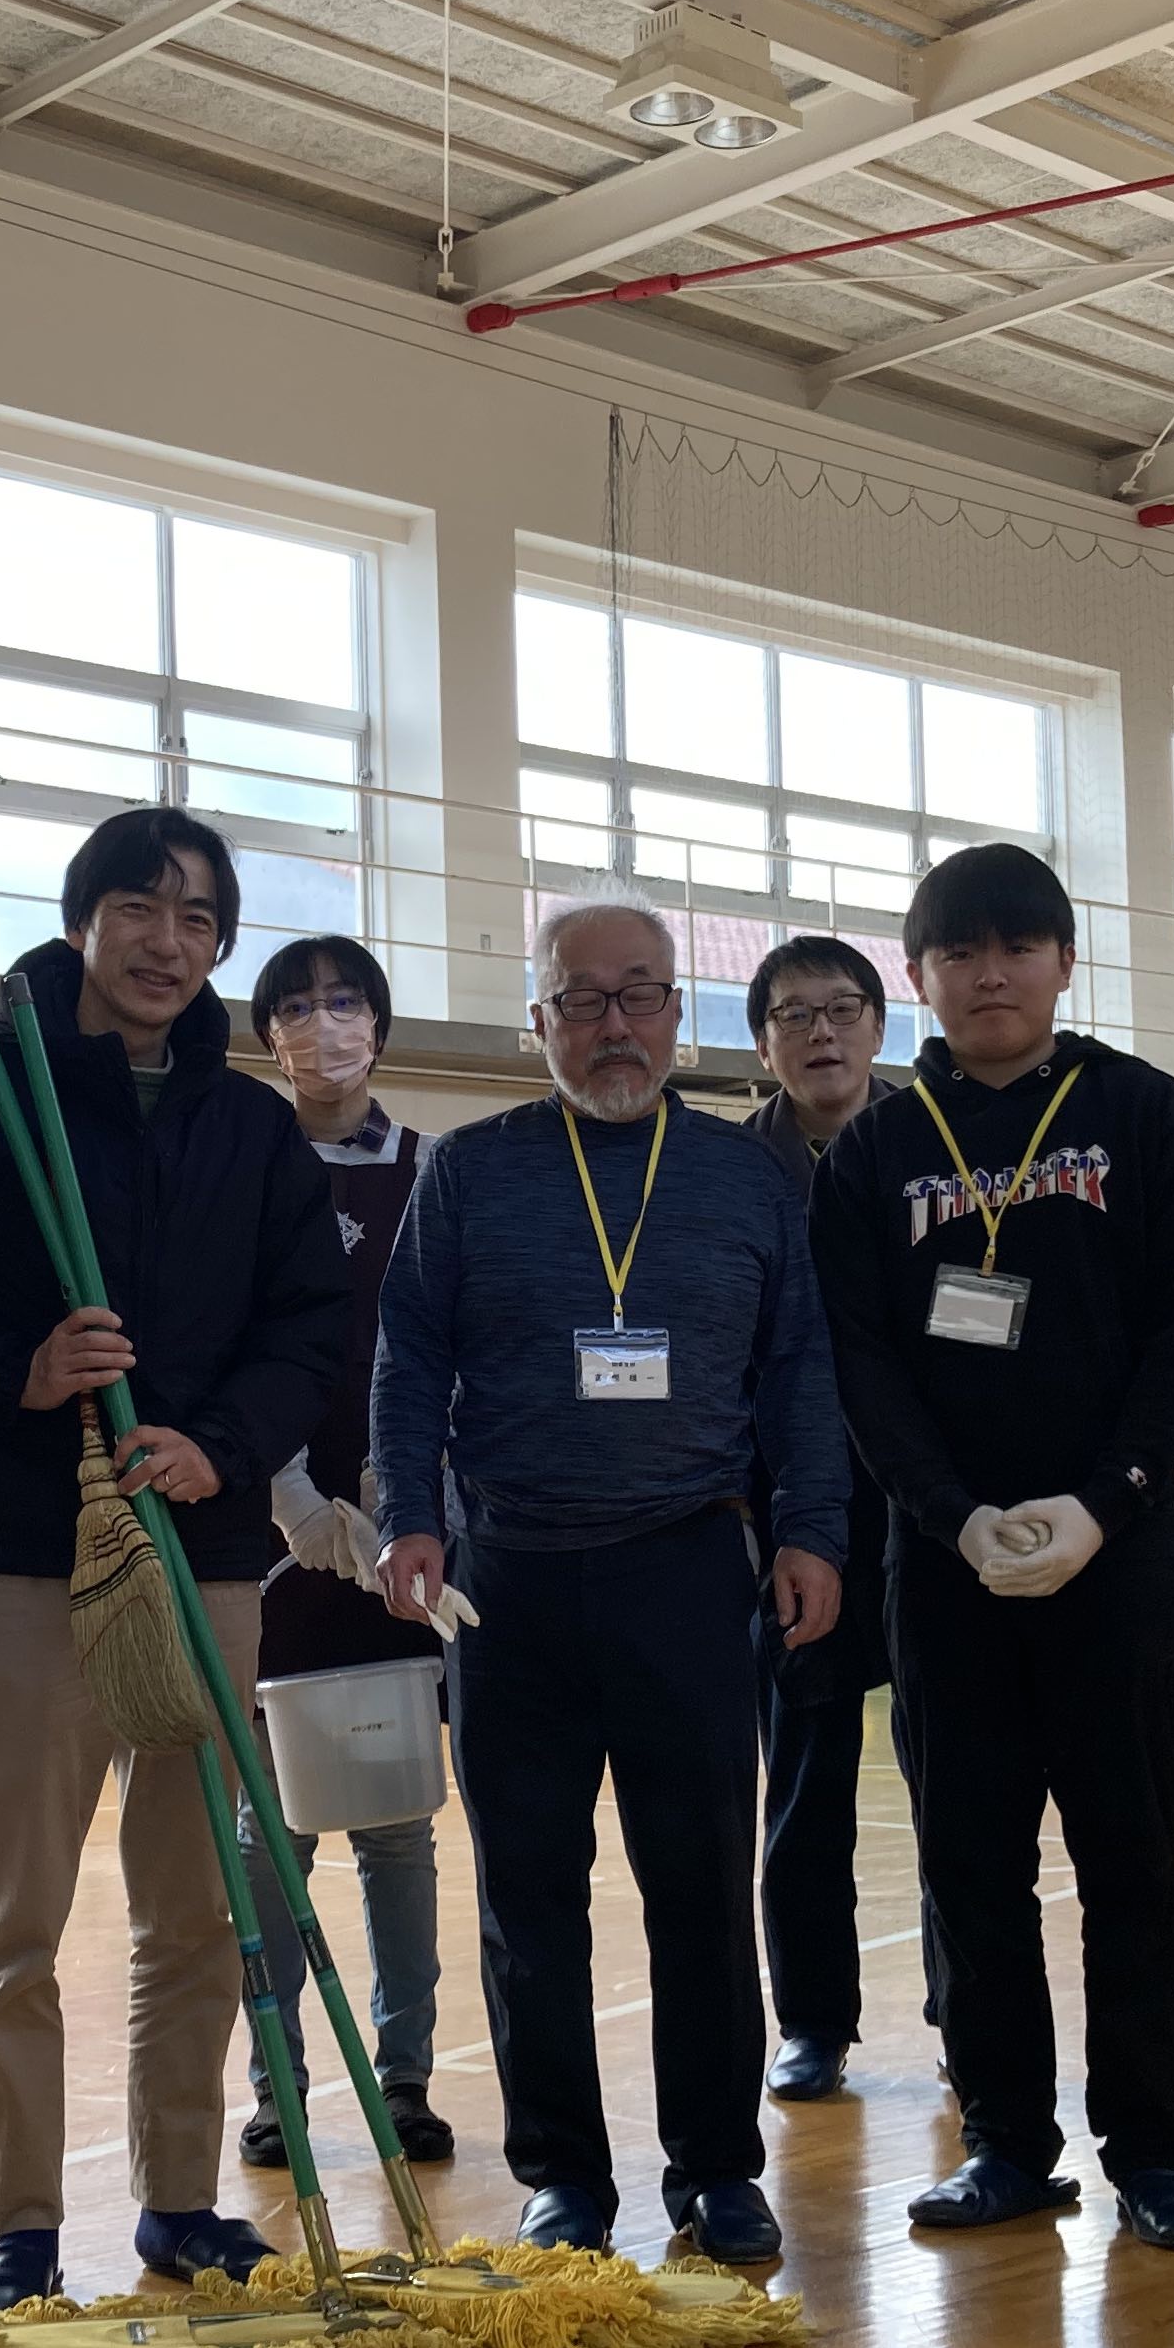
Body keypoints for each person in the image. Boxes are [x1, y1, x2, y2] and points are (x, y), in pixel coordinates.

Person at [0, 807, 346, 2311]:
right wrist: (13, 1368)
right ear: (82, 922)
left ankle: (182, 2202)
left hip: (205, 1555)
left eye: (201, 922)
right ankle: (24, 2226)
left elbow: (310, 1324)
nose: (168, 943)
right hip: (19, 1555)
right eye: (142, 908)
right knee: (21, 1915)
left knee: (198, 1906)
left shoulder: (251, 1127)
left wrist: (220, 1442)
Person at [371, 902, 843, 2266]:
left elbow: (801, 1370)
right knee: (530, 1897)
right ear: (540, 1026)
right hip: (508, 1582)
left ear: (678, 1014)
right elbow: (409, 1359)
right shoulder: (468, 1171)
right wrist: (411, 1514)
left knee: (700, 1887)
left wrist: (811, 1530)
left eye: (640, 996)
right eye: (583, 1001)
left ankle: (714, 2167)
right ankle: (563, 2176)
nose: (615, 1025)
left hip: (690, 1571)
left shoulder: (748, 1182)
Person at [808, 843, 1174, 2250]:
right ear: (919, 974)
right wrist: (955, 1516)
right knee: (970, 1869)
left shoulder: (1146, 1116)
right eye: (959, 951)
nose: (990, 973)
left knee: (1128, 1865)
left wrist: (1113, 1500)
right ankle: (1005, 2144)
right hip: (950, 1573)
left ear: (1062, 961)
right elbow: (861, 1360)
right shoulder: (877, 1144)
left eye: (1017, 946)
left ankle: (1154, 2156)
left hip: (1113, 1570)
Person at [235, 934, 449, 2172]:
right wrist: (289, 1500)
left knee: (398, 1822)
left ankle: (405, 2076)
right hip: (272, 1542)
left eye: (349, 1001)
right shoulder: (240, 1167)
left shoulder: (434, 1169)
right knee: (276, 1829)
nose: (328, 1024)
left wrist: (408, 1489)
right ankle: (277, 2086)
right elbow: (209, 1345)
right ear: (269, 1035)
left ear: (382, 1023)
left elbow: (454, 1340)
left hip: (401, 1533)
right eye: (301, 1006)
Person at [737, 933, 913, 2106]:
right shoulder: (723, 1167)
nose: (821, 1032)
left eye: (842, 1008)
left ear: (877, 1025)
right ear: (763, 1040)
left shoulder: (934, 1146)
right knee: (804, 1784)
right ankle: (813, 2021)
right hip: (787, 1515)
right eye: (794, 1014)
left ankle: (966, 2003)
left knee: (957, 1773)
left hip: (927, 1502)